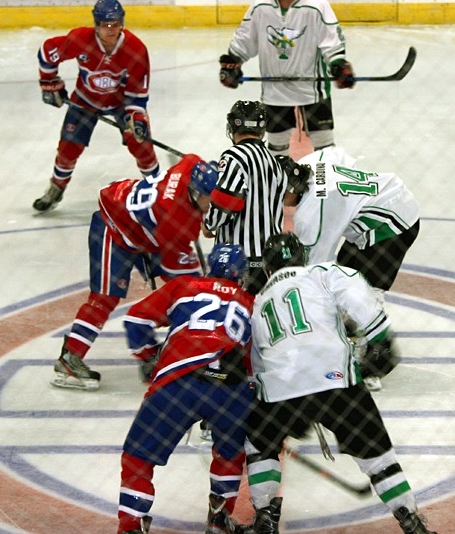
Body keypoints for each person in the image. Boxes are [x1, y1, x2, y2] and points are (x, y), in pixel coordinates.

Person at [245, 232, 436, 534]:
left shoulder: (258, 302)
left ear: (267, 269)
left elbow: (257, 363)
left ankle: (265, 516)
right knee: (378, 456)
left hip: (281, 386)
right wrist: (379, 335)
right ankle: (410, 519)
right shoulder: (319, 273)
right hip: (335, 380)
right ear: (302, 257)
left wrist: (271, 395)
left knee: (259, 445)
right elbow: (355, 291)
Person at [117, 243, 255, 534]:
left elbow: (135, 320)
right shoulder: (250, 302)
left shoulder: (184, 285)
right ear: (241, 276)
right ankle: (219, 520)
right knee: (229, 455)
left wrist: (149, 356)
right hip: (231, 390)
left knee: (137, 458)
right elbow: (255, 362)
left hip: (177, 381)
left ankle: (130, 525)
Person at [49, 154, 218, 391]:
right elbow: (181, 282)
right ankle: (70, 359)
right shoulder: (176, 223)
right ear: (195, 193)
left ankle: (151, 352)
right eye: (209, 201)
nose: (213, 206)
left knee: (184, 292)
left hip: (141, 224)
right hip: (115, 226)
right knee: (105, 297)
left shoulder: (191, 165)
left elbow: (188, 158)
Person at [277, 147, 421, 391]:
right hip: (389, 199)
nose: (279, 201)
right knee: (345, 278)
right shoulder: (313, 161)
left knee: (364, 288)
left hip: (393, 224)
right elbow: (338, 154)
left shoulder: (311, 214)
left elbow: (316, 270)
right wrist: (351, 201)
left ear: (290, 188)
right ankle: (350, 326)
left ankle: (379, 354)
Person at [33, 0, 159, 212]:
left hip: (122, 104)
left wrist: (136, 120)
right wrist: (49, 83)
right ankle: (56, 187)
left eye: (115, 24)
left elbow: (137, 95)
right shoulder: (80, 40)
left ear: (122, 24)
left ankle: (158, 189)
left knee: (141, 143)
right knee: (68, 147)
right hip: (85, 100)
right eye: (105, 24)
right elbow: (47, 52)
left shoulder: (136, 49)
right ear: (96, 25)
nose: (111, 30)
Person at [218, 0, 356, 157]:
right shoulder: (260, 6)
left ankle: (328, 179)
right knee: (277, 147)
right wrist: (233, 62)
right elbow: (244, 39)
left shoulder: (317, 6)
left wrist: (338, 65)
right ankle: (280, 179)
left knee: (325, 147)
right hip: (275, 91)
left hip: (312, 89)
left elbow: (332, 42)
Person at [203, 100, 288, 294]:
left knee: (232, 315)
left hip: (237, 262)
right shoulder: (275, 164)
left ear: (232, 126)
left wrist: (209, 225)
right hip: (269, 263)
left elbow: (226, 200)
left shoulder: (233, 157)